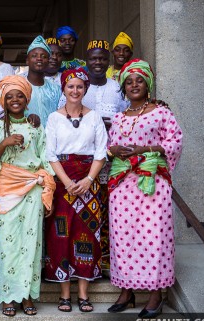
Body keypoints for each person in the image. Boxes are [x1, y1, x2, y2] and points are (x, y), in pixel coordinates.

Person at [107, 59, 182, 318]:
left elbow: (175, 142)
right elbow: (110, 145)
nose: (134, 85)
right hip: (122, 186)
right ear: (124, 88)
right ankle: (127, 292)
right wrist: (112, 150)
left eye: (139, 80)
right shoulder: (118, 117)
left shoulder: (161, 113)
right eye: (129, 82)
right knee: (123, 238)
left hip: (151, 184)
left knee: (154, 238)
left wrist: (145, 150)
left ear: (147, 84)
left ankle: (155, 295)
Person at [0, 75, 55, 317]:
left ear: (27, 99)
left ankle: (27, 296)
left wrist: (48, 188)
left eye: (19, 95)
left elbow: (45, 158)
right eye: (9, 96)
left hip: (32, 189)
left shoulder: (35, 126)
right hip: (6, 189)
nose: (15, 100)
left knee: (31, 245)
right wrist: (5, 143)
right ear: (3, 100)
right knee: (7, 245)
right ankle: (8, 296)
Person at [44, 68, 108, 313]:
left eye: (80, 86)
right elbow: (50, 154)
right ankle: (64, 294)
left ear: (85, 89)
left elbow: (101, 151)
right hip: (62, 183)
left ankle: (83, 294)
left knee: (86, 237)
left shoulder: (94, 117)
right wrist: (67, 182)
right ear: (63, 89)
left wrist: (89, 180)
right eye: (70, 86)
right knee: (61, 236)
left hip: (88, 182)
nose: (75, 90)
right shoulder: (54, 118)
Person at [82, 39, 129, 270]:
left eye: (102, 58)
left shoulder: (117, 88)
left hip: (113, 164)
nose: (98, 62)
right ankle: (88, 264)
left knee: (111, 216)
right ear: (86, 61)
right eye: (93, 58)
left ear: (108, 61)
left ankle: (110, 265)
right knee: (88, 216)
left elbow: (128, 118)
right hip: (85, 163)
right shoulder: (78, 87)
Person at [22, 35, 62, 127]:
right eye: (34, 56)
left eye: (43, 56)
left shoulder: (56, 90)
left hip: (51, 139)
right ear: (27, 61)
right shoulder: (19, 87)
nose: (39, 58)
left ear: (48, 61)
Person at [44, 37, 66, 108]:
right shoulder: (28, 79)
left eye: (59, 55)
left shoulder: (67, 80)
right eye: (51, 54)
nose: (55, 57)